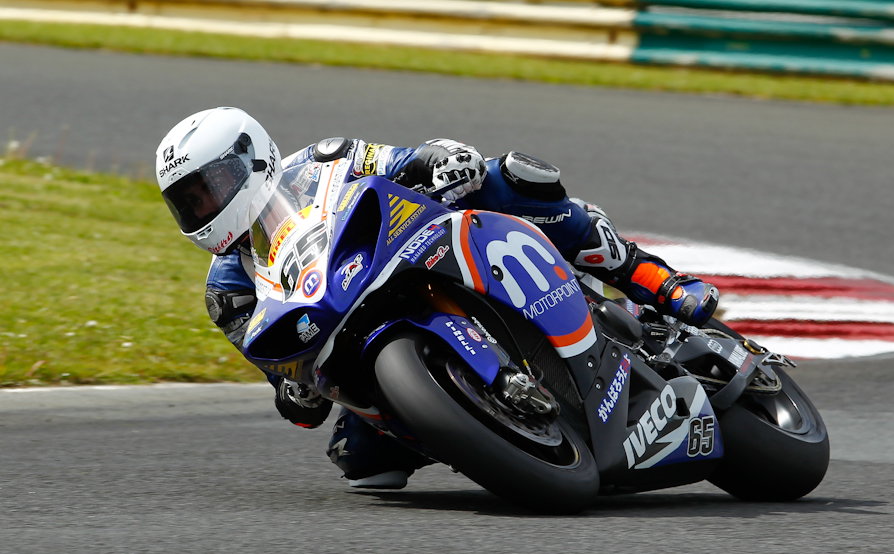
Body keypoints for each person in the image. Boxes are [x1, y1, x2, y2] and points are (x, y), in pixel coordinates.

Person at [156, 107, 719, 490]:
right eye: (189, 202)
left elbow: (402, 162)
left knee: (511, 178)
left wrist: (438, 160)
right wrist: (293, 392)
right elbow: (282, 375)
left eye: (210, 188)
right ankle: (481, 429)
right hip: (352, 344)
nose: (203, 209)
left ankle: (655, 280)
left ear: (252, 159)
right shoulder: (226, 291)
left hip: (407, 258)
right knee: (361, 467)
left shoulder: (325, 160)